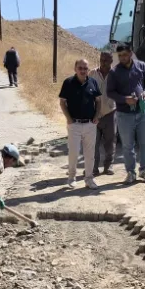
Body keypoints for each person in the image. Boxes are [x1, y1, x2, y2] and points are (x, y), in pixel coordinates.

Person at [106, 42, 145, 184]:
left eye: (125, 55)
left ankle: (144, 170)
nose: (122, 58)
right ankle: (130, 172)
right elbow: (110, 92)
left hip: (143, 112)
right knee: (128, 145)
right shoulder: (114, 72)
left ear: (131, 53)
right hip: (124, 115)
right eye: (120, 55)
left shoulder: (141, 66)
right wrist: (124, 99)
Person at [58, 58, 101, 190]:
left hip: (90, 125)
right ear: (75, 69)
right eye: (80, 68)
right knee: (74, 153)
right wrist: (68, 119)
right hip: (74, 124)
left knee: (90, 154)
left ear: (88, 70)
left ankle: (89, 179)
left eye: (85, 68)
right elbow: (62, 102)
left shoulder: (93, 82)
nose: (83, 71)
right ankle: (71, 177)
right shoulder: (68, 82)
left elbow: (98, 101)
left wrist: (96, 116)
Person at [89, 50, 117, 176]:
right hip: (94, 114)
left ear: (111, 61)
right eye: (101, 59)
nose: (103, 62)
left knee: (110, 142)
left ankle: (108, 166)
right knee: (93, 143)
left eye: (106, 60)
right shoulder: (92, 74)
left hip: (110, 113)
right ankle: (93, 168)